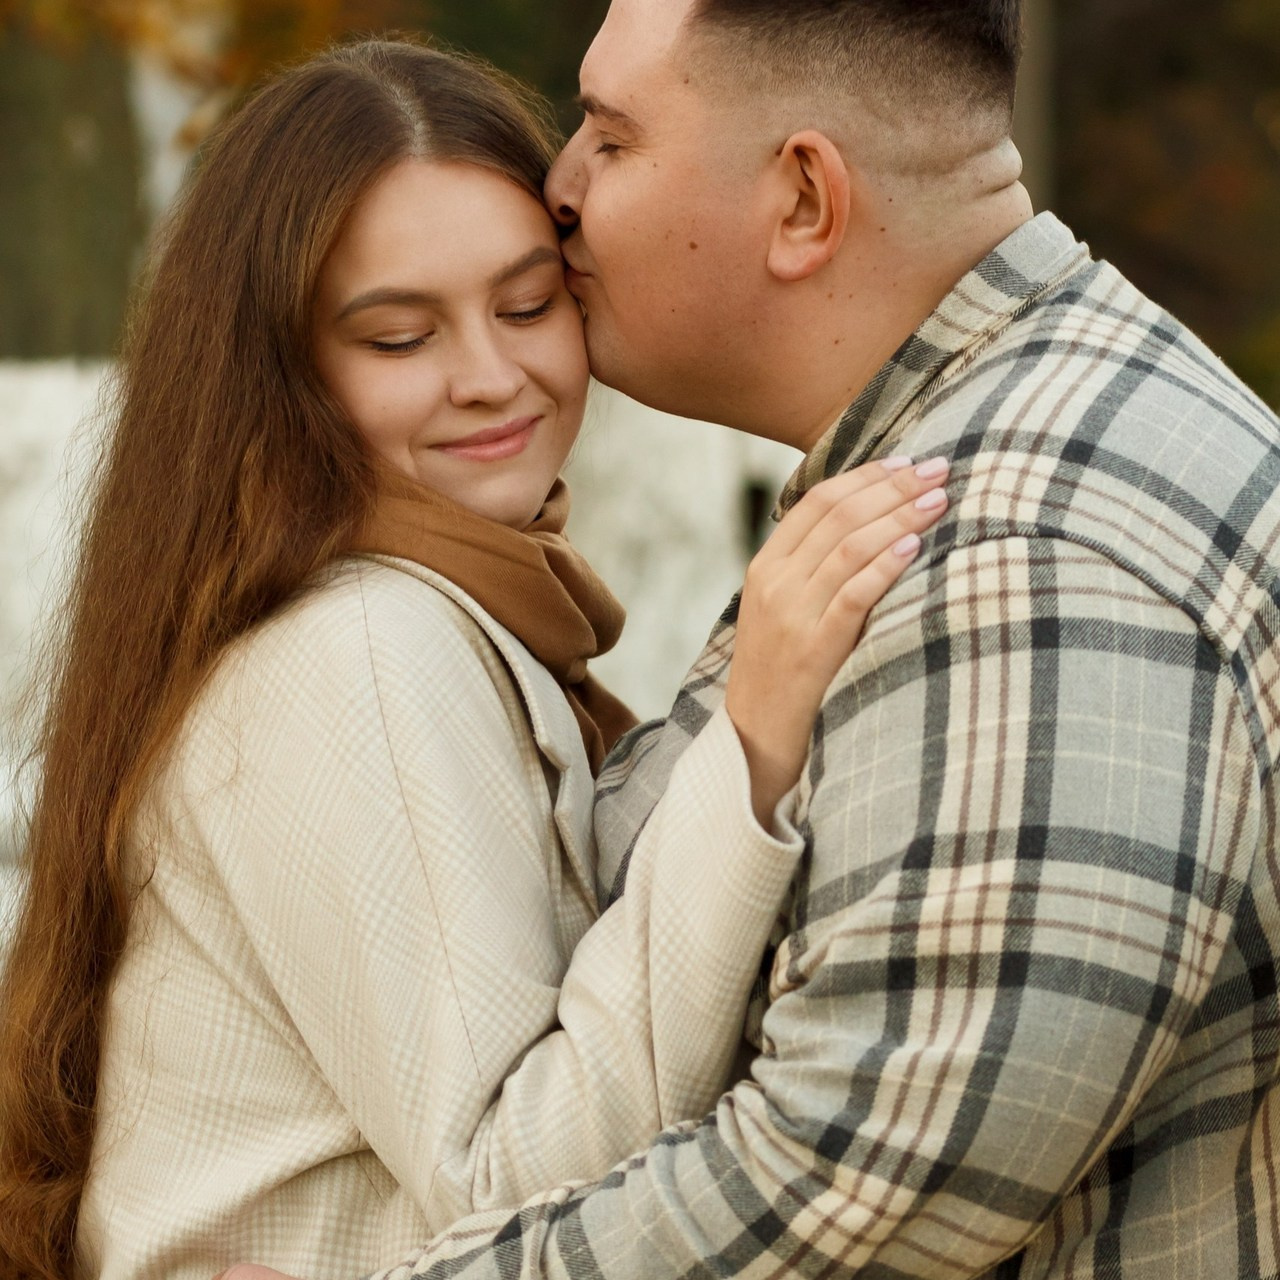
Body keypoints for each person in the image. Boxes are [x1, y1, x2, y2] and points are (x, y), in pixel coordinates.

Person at [222, 0, 1280, 1277]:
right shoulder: (945, 470)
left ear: (799, 200)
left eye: (609, 140)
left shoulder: (1031, 564)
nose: (554, 190)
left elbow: (852, 1183)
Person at [0, 37, 955, 1280]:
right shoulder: (360, 646)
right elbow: (514, 1182)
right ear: (281, 380)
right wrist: (753, 743)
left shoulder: (454, 614)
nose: (491, 376)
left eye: (525, 304)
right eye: (399, 338)